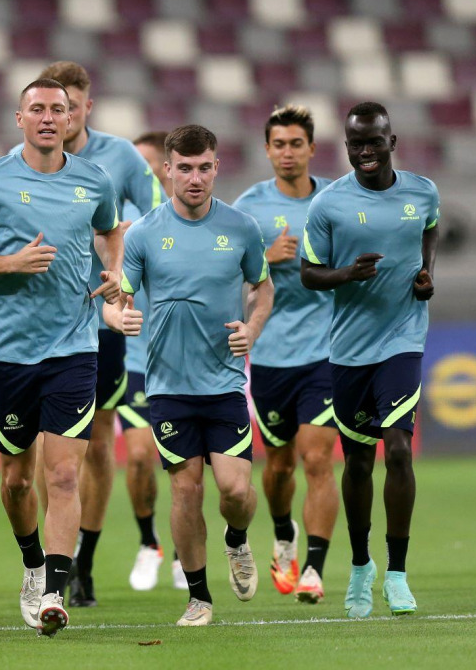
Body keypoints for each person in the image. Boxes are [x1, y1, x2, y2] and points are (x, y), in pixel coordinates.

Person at [0, 78, 122, 637]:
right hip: (10, 354)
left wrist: (115, 272)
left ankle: (53, 589)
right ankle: (31, 563)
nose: (49, 117)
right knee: (17, 480)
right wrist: (10, 264)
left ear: (72, 118)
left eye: (58, 109)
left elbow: (110, 233)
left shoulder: (94, 180)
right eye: (38, 109)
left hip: (74, 348)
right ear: (19, 118)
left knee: (64, 474)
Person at [105, 124, 274, 627]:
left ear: (216, 168)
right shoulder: (143, 234)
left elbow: (263, 289)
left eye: (204, 168)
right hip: (168, 388)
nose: (195, 178)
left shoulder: (242, 228)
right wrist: (118, 318)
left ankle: (237, 539)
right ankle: (199, 597)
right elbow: (118, 300)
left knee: (236, 492)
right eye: (185, 168)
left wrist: (252, 328)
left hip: (223, 383)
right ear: (168, 170)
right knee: (186, 491)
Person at [300, 101, 439, 618]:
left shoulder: (422, 192)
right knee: (358, 462)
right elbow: (309, 273)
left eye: (373, 142)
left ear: (391, 142)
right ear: (346, 146)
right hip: (350, 349)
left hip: (402, 339)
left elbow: (430, 227)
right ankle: (361, 565)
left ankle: (397, 574)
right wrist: (347, 275)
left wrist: (425, 273)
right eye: (355, 144)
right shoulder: (328, 205)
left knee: (398, 451)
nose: (364, 152)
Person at [31, 61, 162, 608]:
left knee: (99, 439)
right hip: (43, 316)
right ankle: (50, 557)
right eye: (49, 107)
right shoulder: (24, 162)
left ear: (85, 107)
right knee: (47, 448)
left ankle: (81, 561)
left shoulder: (121, 157)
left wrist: (126, 234)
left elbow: (161, 214)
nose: (60, 116)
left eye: (70, 105)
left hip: (101, 312)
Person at [233, 105, 338, 603]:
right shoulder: (248, 208)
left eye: (297, 143)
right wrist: (262, 258)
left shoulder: (336, 201)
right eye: (279, 144)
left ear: (312, 148)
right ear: (267, 150)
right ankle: (282, 533)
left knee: (317, 458)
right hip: (271, 354)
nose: (288, 152)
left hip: (327, 351)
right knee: (277, 468)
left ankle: (314, 569)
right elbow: (217, 270)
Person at [120, 132, 185, 593]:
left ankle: (185, 551)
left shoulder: (190, 219)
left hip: (184, 359)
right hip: (136, 357)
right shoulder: (120, 220)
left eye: (148, 166)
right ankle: (149, 543)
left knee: (187, 464)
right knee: (141, 456)